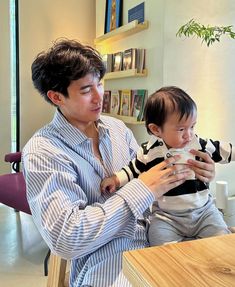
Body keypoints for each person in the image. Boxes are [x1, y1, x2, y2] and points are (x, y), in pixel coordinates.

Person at [22, 40, 215, 287]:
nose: (99, 96)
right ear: (56, 97)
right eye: (85, 90)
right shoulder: (43, 152)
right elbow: (68, 238)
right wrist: (143, 189)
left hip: (162, 236)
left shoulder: (117, 129)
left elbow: (156, 185)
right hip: (109, 261)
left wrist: (195, 176)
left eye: (100, 84)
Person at [101, 86, 234, 247]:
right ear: (156, 129)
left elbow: (225, 150)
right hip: (166, 217)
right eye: (181, 129)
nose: (189, 134)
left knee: (221, 241)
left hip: (204, 213)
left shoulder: (199, 144)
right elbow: (132, 169)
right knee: (159, 243)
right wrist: (115, 179)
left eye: (192, 126)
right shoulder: (149, 151)